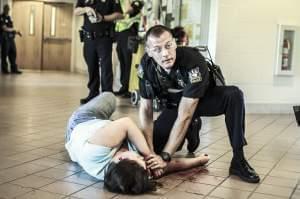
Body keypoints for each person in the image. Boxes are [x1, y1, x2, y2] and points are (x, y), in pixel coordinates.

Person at [138, 25, 260, 183]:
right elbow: (146, 110)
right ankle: (192, 129)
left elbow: (185, 115)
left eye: (168, 45)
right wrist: (150, 153)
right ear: (148, 51)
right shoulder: (146, 66)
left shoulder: (192, 60)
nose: (166, 53)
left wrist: (166, 157)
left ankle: (239, 160)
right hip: (175, 105)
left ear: (175, 44)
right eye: (157, 49)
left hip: (204, 100)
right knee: (154, 144)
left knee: (234, 95)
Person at [65, 92, 210, 194]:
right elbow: (169, 166)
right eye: (144, 162)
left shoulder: (95, 151)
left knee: (109, 97)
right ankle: (191, 125)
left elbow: (126, 123)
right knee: (163, 141)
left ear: (121, 158)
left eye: (140, 159)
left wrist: (150, 154)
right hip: (106, 131)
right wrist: (198, 161)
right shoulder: (133, 174)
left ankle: (110, 123)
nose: (145, 160)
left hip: (84, 121)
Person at [74, 0, 123, 104]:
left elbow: (119, 14)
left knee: (106, 68)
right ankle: (93, 93)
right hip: (88, 39)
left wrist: (103, 18)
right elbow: (76, 11)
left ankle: (107, 95)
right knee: (92, 66)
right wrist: (85, 9)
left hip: (104, 38)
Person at [114, 0, 144, 98]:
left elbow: (129, 10)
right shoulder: (120, 2)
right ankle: (124, 87)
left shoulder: (136, 2)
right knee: (122, 62)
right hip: (120, 34)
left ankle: (129, 89)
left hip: (130, 33)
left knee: (128, 63)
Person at [0, 4, 22, 75]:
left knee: (13, 53)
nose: (8, 10)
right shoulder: (1, 17)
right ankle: (5, 69)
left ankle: (14, 69)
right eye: (7, 9)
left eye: (8, 9)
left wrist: (16, 32)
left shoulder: (9, 18)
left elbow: (11, 28)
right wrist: (14, 30)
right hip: (4, 39)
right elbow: (4, 28)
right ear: (4, 9)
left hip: (11, 38)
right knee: (4, 54)